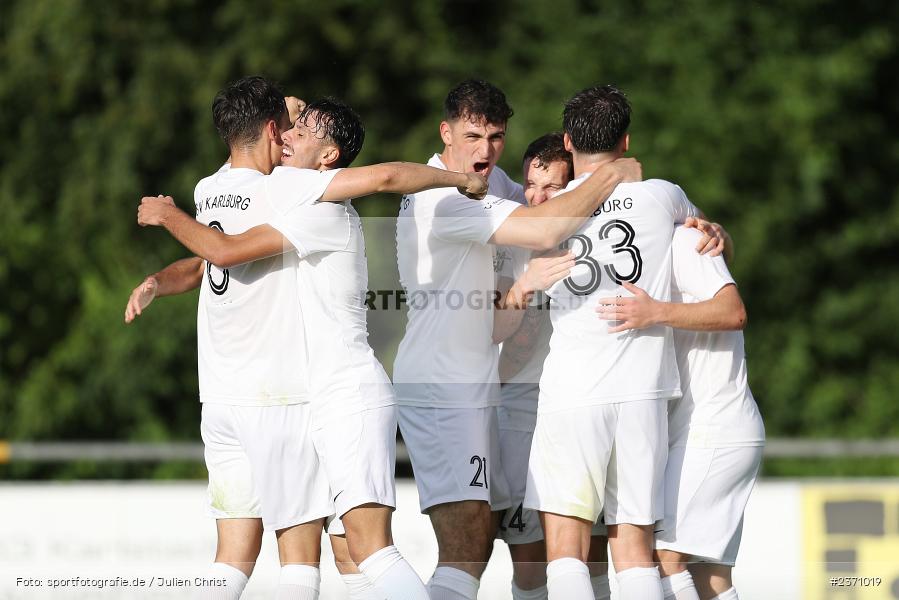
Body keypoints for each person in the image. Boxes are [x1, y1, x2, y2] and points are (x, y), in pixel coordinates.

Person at [129, 76, 486, 600]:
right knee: (346, 554)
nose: (292, 132)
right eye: (289, 124)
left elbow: (384, 176)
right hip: (314, 398)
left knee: (365, 551)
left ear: (329, 155)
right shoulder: (274, 193)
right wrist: (163, 279)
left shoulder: (311, 202)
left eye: (305, 127)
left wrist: (456, 178)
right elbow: (218, 249)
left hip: (340, 395)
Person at [393, 79, 645, 600]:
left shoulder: (490, 185)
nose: (485, 150)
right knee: (464, 550)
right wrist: (615, 171)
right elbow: (541, 228)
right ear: (445, 132)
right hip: (441, 388)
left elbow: (543, 194)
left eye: (496, 136)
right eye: (472, 135)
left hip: (475, 389)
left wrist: (690, 220)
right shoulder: (442, 196)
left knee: (481, 546)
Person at [524, 84, 722, 600]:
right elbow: (701, 225)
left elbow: (535, 239)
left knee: (565, 547)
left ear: (567, 142)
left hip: (573, 391)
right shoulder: (664, 195)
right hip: (643, 392)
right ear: (627, 140)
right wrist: (712, 225)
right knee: (633, 550)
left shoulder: (552, 208)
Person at [595, 225, 764, 600]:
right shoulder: (629, 250)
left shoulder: (682, 240)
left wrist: (655, 311)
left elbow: (733, 312)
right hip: (712, 427)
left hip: (713, 427)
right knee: (711, 580)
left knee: (661, 559)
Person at [493, 133, 611, 600]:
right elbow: (495, 327)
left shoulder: (599, 234)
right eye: (530, 186)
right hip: (520, 406)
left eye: (552, 189)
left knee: (593, 550)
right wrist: (526, 286)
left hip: (584, 401)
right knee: (528, 558)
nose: (538, 198)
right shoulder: (515, 238)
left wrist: (704, 225)